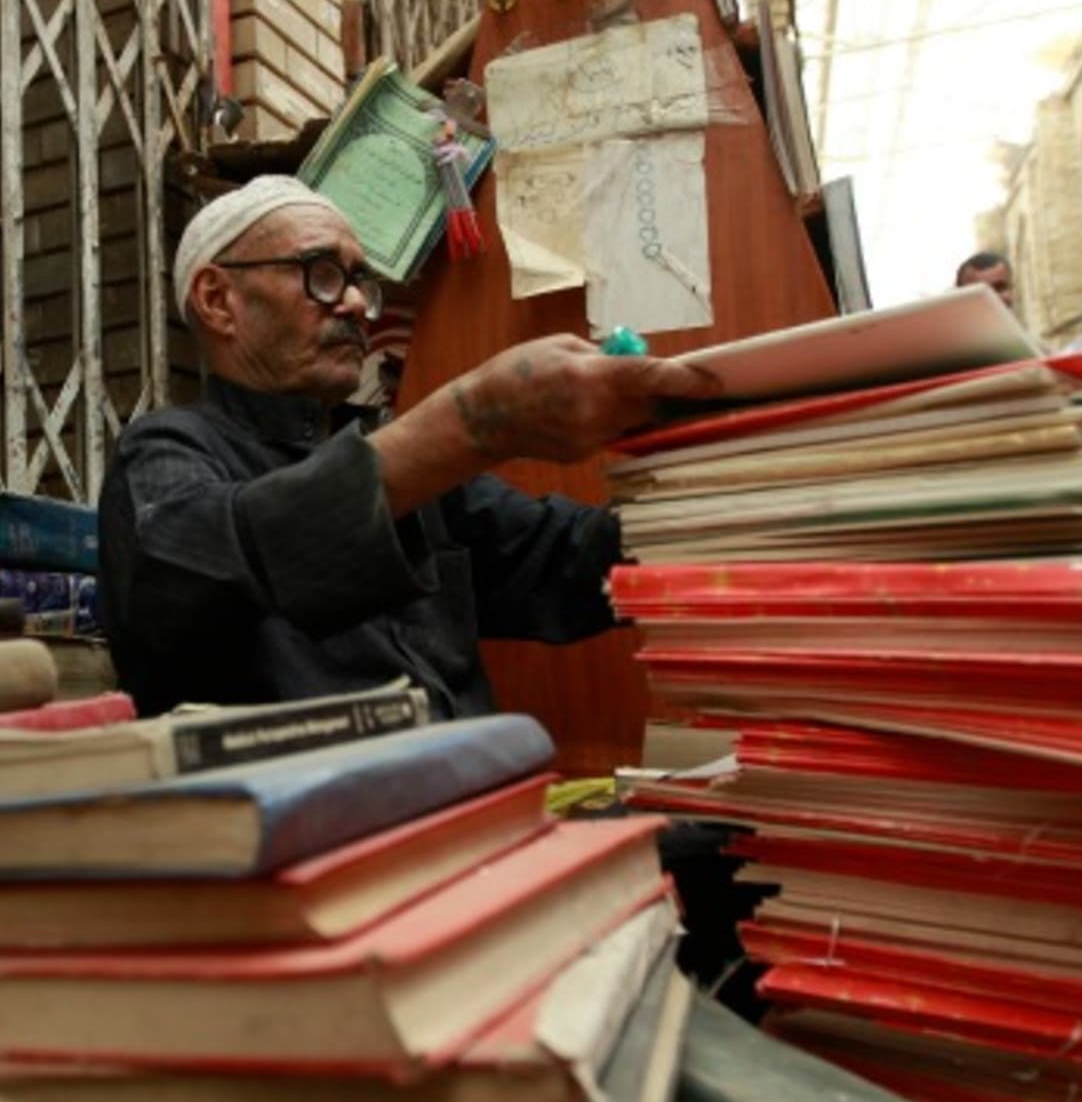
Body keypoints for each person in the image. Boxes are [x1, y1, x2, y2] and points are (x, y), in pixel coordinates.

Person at [97, 176, 717, 717]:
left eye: (362, 281)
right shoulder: (166, 452)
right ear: (217, 300)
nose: (359, 305)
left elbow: (572, 560)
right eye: (322, 274)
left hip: (478, 818)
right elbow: (212, 566)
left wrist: (758, 485)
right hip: (309, 842)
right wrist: (473, 422)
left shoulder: (399, 464)